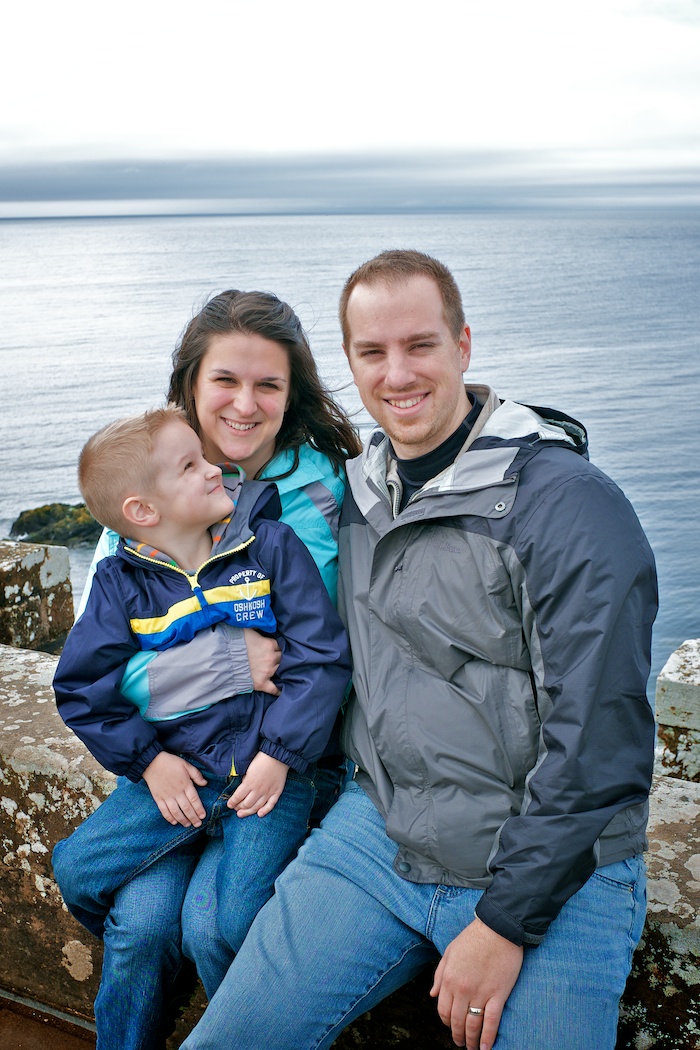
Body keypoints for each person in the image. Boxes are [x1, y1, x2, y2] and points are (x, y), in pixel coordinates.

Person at [180, 250, 658, 1050]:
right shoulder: (359, 494)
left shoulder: (568, 505)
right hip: (383, 833)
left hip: (555, 864)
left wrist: (505, 922)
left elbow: (602, 742)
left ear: (463, 345)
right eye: (372, 353)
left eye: (420, 345)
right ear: (350, 366)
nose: (397, 374)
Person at [51, 289, 361, 1050]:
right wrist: (226, 661)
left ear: (294, 395)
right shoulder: (141, 506)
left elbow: (318, 651)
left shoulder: (322, 495)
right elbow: (99, 670)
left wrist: (270, 728)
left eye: (269, 385)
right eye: (225, 380)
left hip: (273, 761)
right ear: (191, 385)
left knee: (210, 923)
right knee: (138, 925)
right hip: (174, 765)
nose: (245, 405)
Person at [53, 403, 350, 948]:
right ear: (142, 510)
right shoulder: (119, 583)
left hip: (268, 776)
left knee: (234, 921)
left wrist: (280, 756)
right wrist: (149, 762)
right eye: (190, 466)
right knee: (75, 871)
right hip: (180, 774)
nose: (213, 467)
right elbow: (81, 690)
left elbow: (321, 657)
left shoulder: (272, 546)